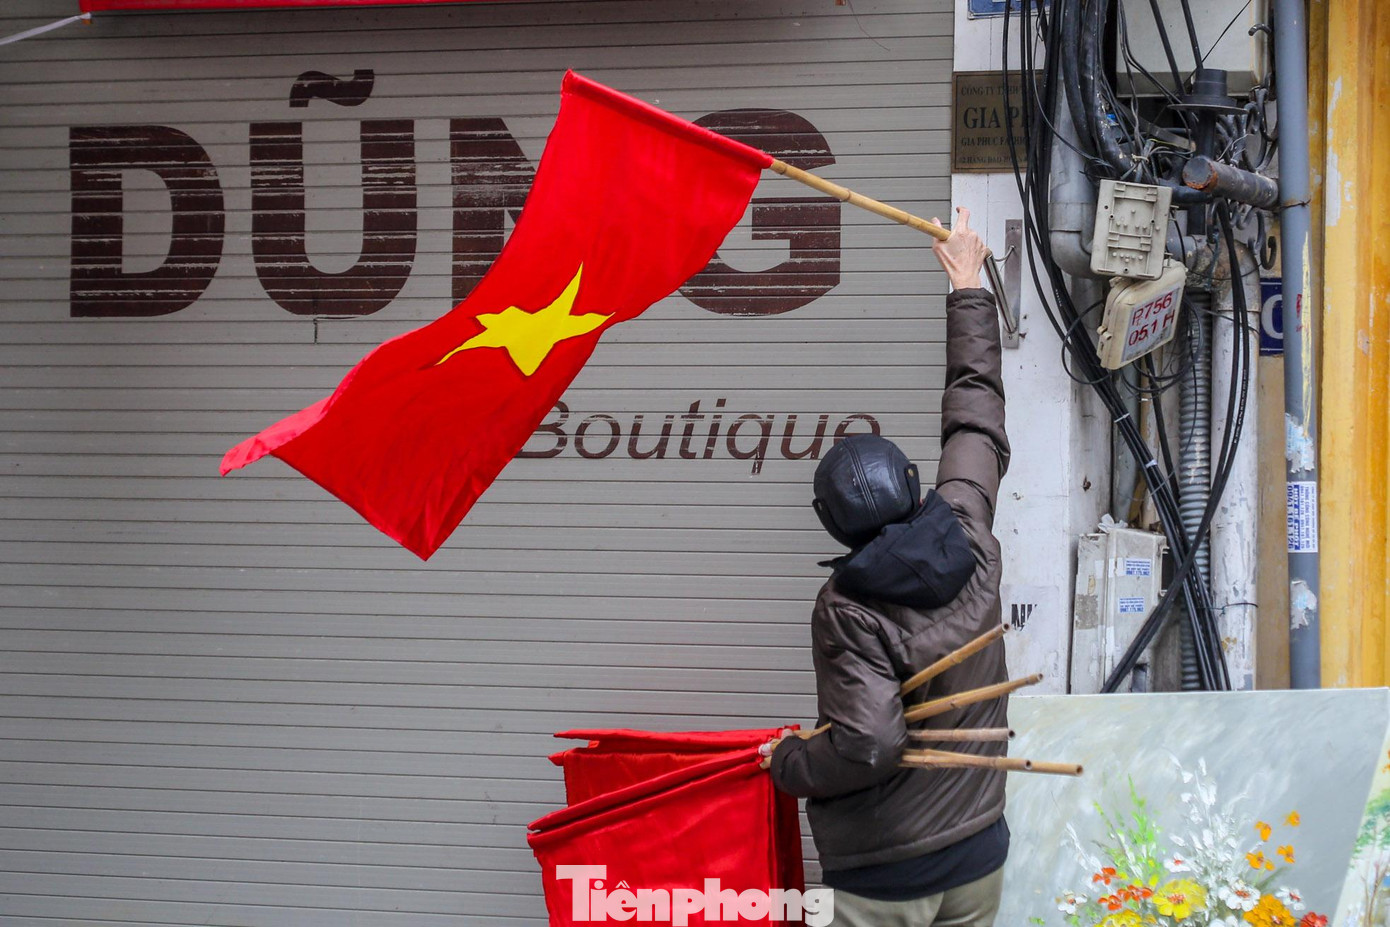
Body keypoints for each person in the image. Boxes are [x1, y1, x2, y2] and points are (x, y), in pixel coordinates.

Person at [764, 206, 1012, 927]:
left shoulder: (848, 607)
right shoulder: (968, 528)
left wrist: (788, 761)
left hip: (887, 873)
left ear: (830, 521)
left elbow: (870, 745)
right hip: (979, 852)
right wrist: (968, 286)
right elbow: (976, 412)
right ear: (912, 482)